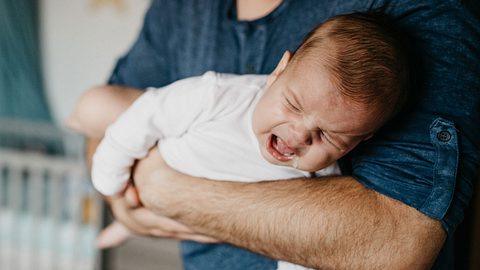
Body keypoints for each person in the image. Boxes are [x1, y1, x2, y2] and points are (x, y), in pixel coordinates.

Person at [80, 0, 480, 269]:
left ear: (359, 141)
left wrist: (161, 187)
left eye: (328, 136)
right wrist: (117, 194)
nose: (300, 136)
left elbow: (397, 242)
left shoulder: (414, 15)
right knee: (100, 104)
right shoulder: (215, 81)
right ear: (278, 71)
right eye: (292, 106)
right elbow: (127, 118)